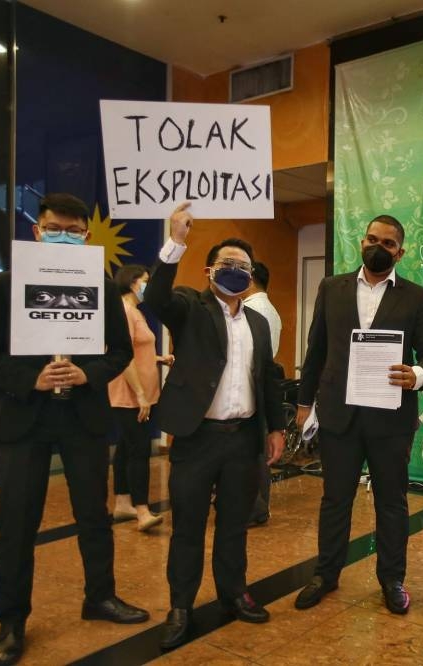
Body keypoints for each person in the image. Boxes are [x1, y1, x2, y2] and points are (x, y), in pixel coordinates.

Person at [0, 193, 149, 666]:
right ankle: (11, 622)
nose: (63, 236)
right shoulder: (6, 285)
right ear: (36, 230)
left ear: (86, 237)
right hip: (23, 421)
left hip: (83, 418)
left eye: (73, 231)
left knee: (95, 515)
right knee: (16, 524)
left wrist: (89, 374)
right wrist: (31, 379)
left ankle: (100, 597)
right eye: (54, 228)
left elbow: (119, 352)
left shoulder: (103, 285)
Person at [143, 203, 286, 649]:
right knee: (187, 526)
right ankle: (181, 606)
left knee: (234, 526)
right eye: (226, 264)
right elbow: (155, 300)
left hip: (243, 440)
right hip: (196, 438)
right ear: (209, 270)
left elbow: (269, 378)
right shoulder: (189, 305)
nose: (235, 271)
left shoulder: (259, 322)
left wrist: (275, 428)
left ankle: (233, 593)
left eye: (242, 266)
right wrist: (176, 241)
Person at [293, 214, 423, 615]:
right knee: (334, 500)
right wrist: (304, 404)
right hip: (339, 417)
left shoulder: (416, 296)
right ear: (362, 242)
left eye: (389, 243)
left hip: (390, 421)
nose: (379, 247)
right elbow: (316, 351)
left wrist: (418, 374)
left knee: (392, 503)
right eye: (373, 239)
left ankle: (392, 579)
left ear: (401, 251)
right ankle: (325, 574)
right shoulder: (332, 287)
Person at [109, 264, 173, 532]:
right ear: (132, 282)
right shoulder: (124, 311)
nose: (149, 285)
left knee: (126, 447)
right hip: (131, 394)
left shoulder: (135, 311)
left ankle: (123, 503)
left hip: (142, 391)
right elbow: (123, 359)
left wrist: (158, 358)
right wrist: (141, 395)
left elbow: (137, 351)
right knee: (138, 450)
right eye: (146, 281)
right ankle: (143, 510)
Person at [242, 261, 283, 528]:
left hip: (251, 387)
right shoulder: (272, 309)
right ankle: (256, 506)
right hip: (261, 385)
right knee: (257, 452)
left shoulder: (252, 310)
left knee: (253, 453)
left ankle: (253, 508)